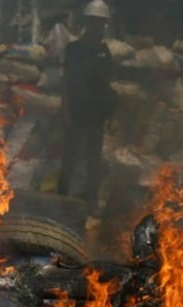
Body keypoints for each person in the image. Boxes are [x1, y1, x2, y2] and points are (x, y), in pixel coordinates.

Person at [58, 0, 116, 220]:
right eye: (94, 23)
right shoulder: (73, 49)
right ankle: (61, 200)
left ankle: (90, 203)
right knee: (69, 160)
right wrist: (66, 112)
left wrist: (109, 115)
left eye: (101, 24)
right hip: (76, 113)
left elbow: (107, 85)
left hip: (96, 117)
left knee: (94, 162)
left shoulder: (104, 51)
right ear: (87, 23)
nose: (98, 28)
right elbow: (65, 83)